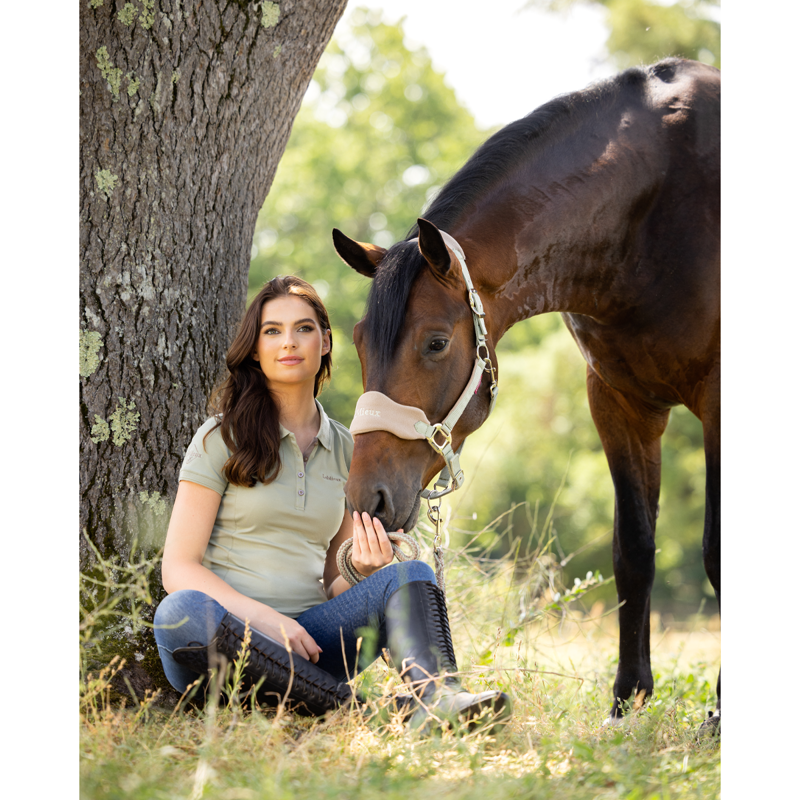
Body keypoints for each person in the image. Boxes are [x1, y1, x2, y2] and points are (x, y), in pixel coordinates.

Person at [153, 275, 511, 731]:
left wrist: (361, 569)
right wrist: (268, 622)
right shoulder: (220, 437)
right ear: (256, 349)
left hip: (313, 644)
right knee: (179, 612)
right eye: (272, 331)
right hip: (224, 641)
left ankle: (439, 695)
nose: (288, 342)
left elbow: (330, 585)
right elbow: (178, 569)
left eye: (303, 328)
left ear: (324, 342)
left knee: (410, 573)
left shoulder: (348, 449)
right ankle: (373, 713)